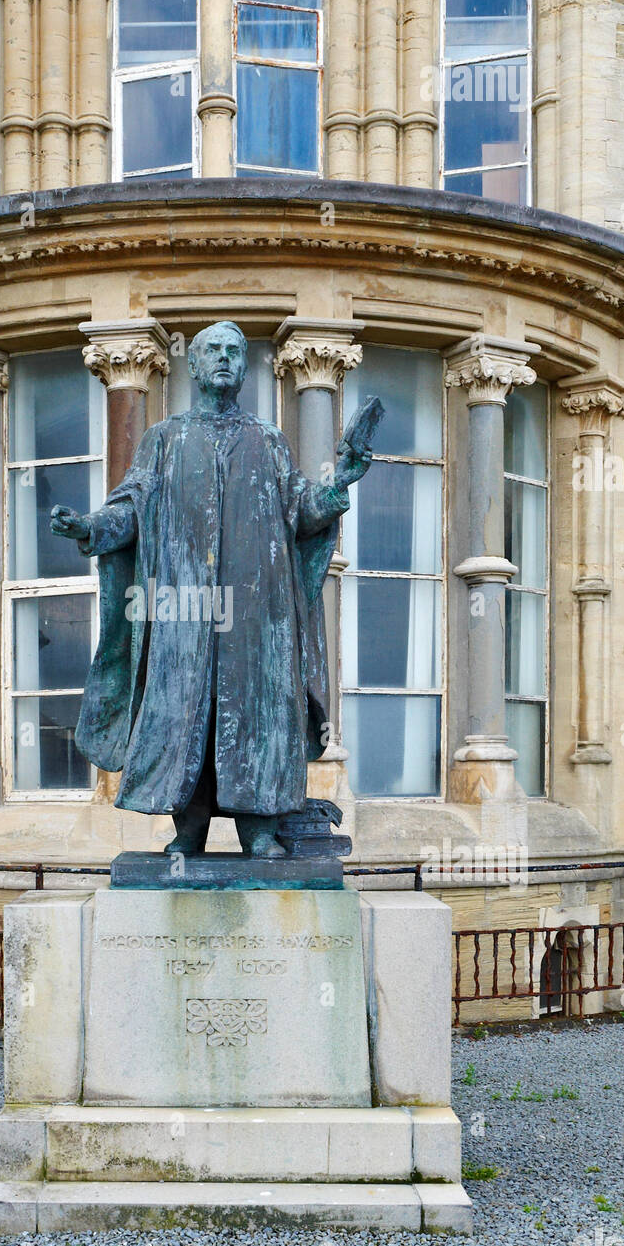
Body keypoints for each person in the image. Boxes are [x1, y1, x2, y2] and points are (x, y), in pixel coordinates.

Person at [50, 320, 377, 857]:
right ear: (195, 366)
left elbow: (303, 510)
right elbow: (131, 507)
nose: (224, 358)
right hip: (184, 612)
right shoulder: (164, 438)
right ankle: (188, 831)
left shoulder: (268, 440)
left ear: (243, 368)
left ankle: (259, 832)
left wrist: (339, 483)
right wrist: (90, 527)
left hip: (257, 617)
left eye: (233, 351)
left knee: (257, 719)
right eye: (212, 351)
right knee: (185, 717)